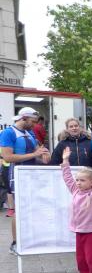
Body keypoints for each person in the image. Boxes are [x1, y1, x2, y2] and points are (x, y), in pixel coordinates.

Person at [0, 107, 50, 254]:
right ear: (24, 118)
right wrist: (35, 154)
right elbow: (8, 157)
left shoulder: (30, 132)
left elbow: (38, 151)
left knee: (33, 207)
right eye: (33, 122)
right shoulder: (8, 132)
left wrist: (44, 155)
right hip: (16, 173)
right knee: (20, 209)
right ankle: (15, 243)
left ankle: (30, 239)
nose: (35, 125)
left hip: (31, 172)